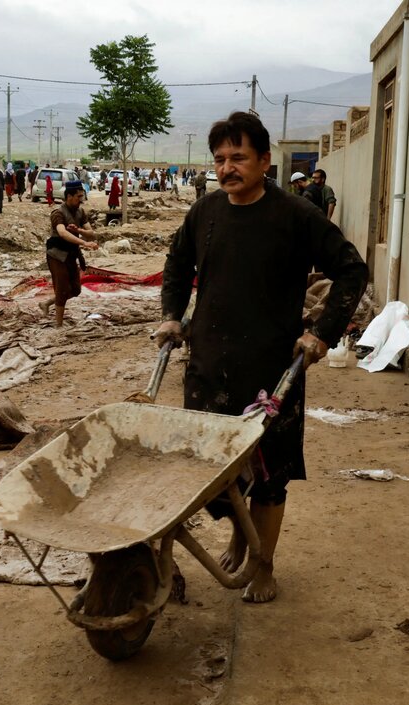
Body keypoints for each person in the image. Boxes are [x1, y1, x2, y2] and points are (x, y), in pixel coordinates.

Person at [155, 111, 367, 604]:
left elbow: (351, 270)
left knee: (270, 476)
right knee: (214, 472)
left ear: (265, 160)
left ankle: (265, 564)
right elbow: (176, 264)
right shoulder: (204, 212)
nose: (227, 168)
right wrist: (171, 315)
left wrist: (321, 334)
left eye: (239, 158)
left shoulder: (295, 215)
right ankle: (238, 530)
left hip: (273, 371)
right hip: (209, 366)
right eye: (220, 159)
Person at [42, 180, 97, 328]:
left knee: (75, 290)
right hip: (57, 255)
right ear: (69, 196)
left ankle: (47, 303)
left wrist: (79, 231)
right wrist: (84, 243)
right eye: (78, 197)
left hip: (71, 254)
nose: (81, 200)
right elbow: (62, 232)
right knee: (62, 289)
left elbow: (91, 234)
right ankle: (58, 325)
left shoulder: (80, 212)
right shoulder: (58, 213)